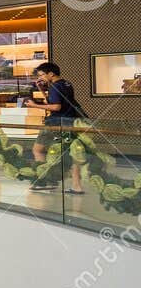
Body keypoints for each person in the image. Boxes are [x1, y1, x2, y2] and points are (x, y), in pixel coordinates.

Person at [29, 61, 86, 194]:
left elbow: (56, 107)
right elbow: (59, 102)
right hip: (71, 122)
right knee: (71, 153)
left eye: (42, 75)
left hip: (55, 122)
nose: (40, 78)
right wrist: (42, 90)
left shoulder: (55, 87)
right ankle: (77, 185)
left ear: (51, 73)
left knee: (38, 150)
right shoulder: (67, 84)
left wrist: (34, 105)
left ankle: (45, 181)